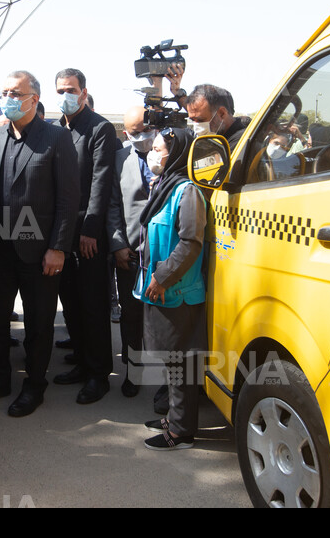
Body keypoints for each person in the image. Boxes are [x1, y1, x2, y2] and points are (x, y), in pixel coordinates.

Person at [0, 70, 79, 417]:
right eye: (4, 92)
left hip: (39, 251)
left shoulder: (56, 138)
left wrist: (58, 247)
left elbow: (67, 199)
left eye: (15, 93)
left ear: (34, 98)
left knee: (39, 321)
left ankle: (34, 385)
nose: (8, 99)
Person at [135, 127, 207, 451]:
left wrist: (162, 276)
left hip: (176, 291)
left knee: (182, 363)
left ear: (177, 153)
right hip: (161, 289)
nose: (153, 153)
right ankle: (176, 419)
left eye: (159, 148)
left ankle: (181, 432)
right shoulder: (166, 186)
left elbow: (191, 243)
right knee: (172, 360)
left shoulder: (187, 191)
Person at [52, 68, 117, 405]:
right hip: (61, 234)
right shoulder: (55, 130)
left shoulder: (99, 128)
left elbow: (101, 183)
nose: (66, 94)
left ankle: (98, 374)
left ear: (83, 91)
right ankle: (80, 360)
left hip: (88, 231)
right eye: (61, 89)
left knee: (92, 304)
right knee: (71, 303)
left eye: (71, 89)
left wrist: (91, 230)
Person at [107, 105, 156, 398]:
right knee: (132, 318)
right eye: (136, 133)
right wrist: (118, 245)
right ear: (126, 133)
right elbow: (113, 206)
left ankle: (167, 383)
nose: (142, 137)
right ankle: (134, 373)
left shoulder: (173, 153)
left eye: (147, 130)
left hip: (166, 256)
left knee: (165, 324)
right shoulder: (120, 159)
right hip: (131, 254)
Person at [184, 84, 250, 152]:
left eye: (201, 120)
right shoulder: (216, 140)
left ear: (222, 113)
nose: (196, 126)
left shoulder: (241, 142)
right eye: (192, 120)